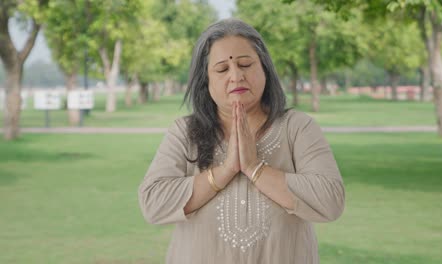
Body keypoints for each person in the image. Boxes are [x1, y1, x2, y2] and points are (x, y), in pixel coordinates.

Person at [138, 18, 345, 264]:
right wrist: (225, 171)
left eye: (245, 64)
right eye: (222, 69)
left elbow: (330, 201)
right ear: (206, 81)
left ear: (265, 69)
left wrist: (255, 168)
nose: (236, 76)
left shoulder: (297, 127)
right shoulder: (185, 132)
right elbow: (153, 204)